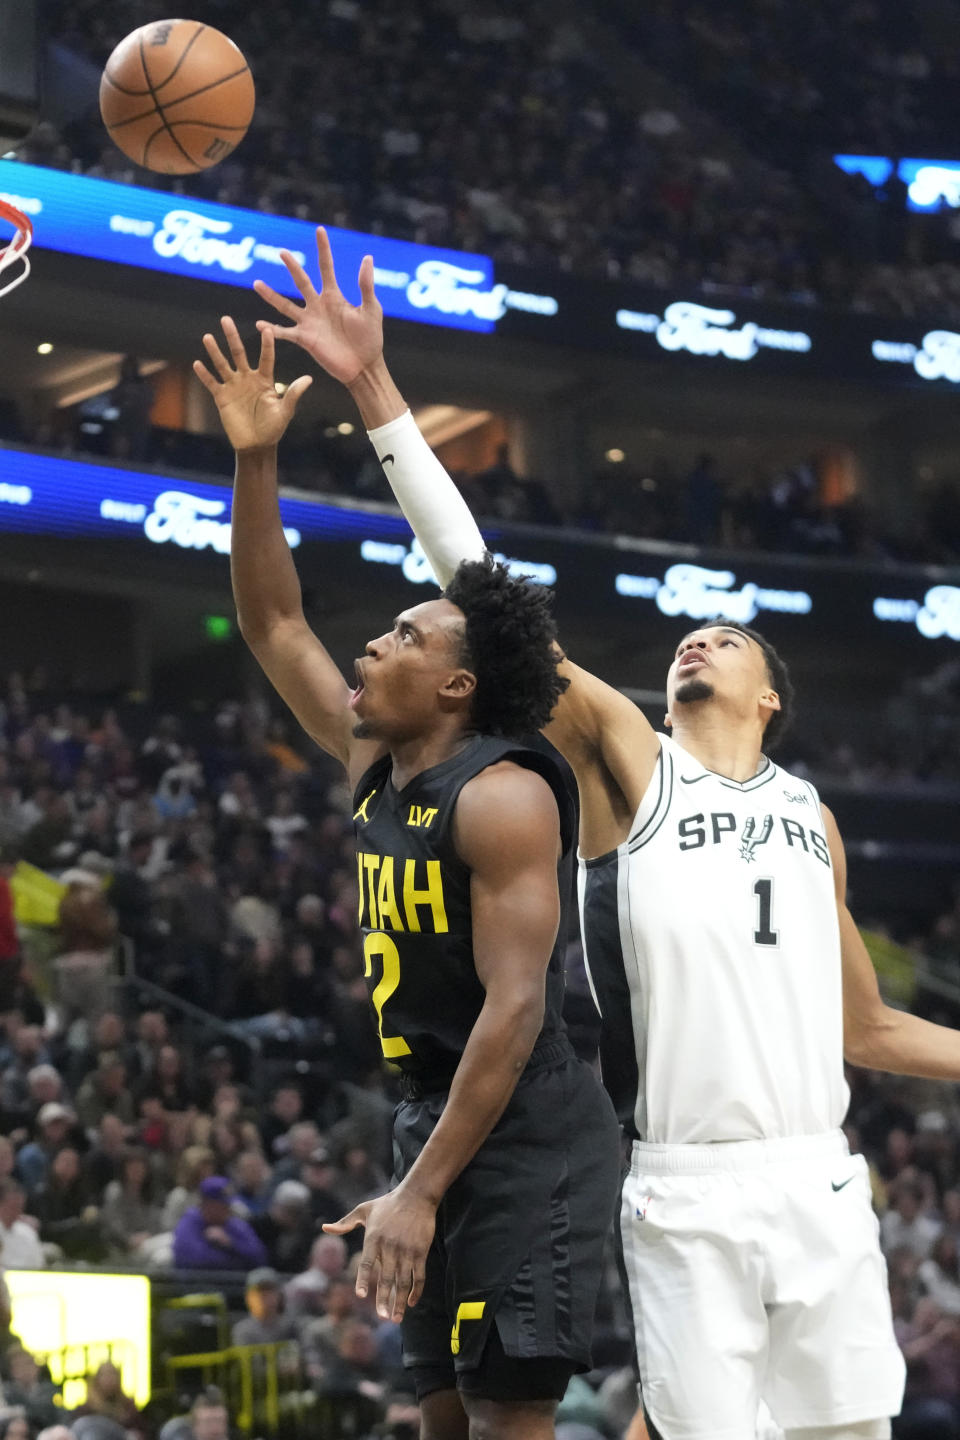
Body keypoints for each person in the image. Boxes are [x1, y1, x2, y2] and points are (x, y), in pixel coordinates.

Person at [253, 226, 960, 1440]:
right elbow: (484, 586)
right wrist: (376, 391)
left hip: (823, 1175)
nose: (700, 639)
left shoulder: (810, 819)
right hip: (681, 1179)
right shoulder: (638, 768)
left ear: (771, 698)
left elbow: (871, 1027)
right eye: (692, 635)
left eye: (729, 639)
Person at [193, 311, 621, 1439]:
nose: (374, 646)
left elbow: (519, 1009)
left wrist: (422, 1191)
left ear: (459, 689)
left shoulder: (505, 794)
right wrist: (254, 459)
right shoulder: (374, 765)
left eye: (405, 637)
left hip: (524, 1122)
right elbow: (271, 617)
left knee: (504, 1421)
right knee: (438, 1418)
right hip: (432, 1108)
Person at [172, 1176, 267, 1272]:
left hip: (233, 1285)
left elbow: (259, 1256)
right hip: (196, 1285)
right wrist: (238, 1261)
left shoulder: (233, 1223)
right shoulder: (189, 1222)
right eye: (223, 1205)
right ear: (207, 1204)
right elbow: (195, 1261)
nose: (228, 1209)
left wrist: (231, 1243)